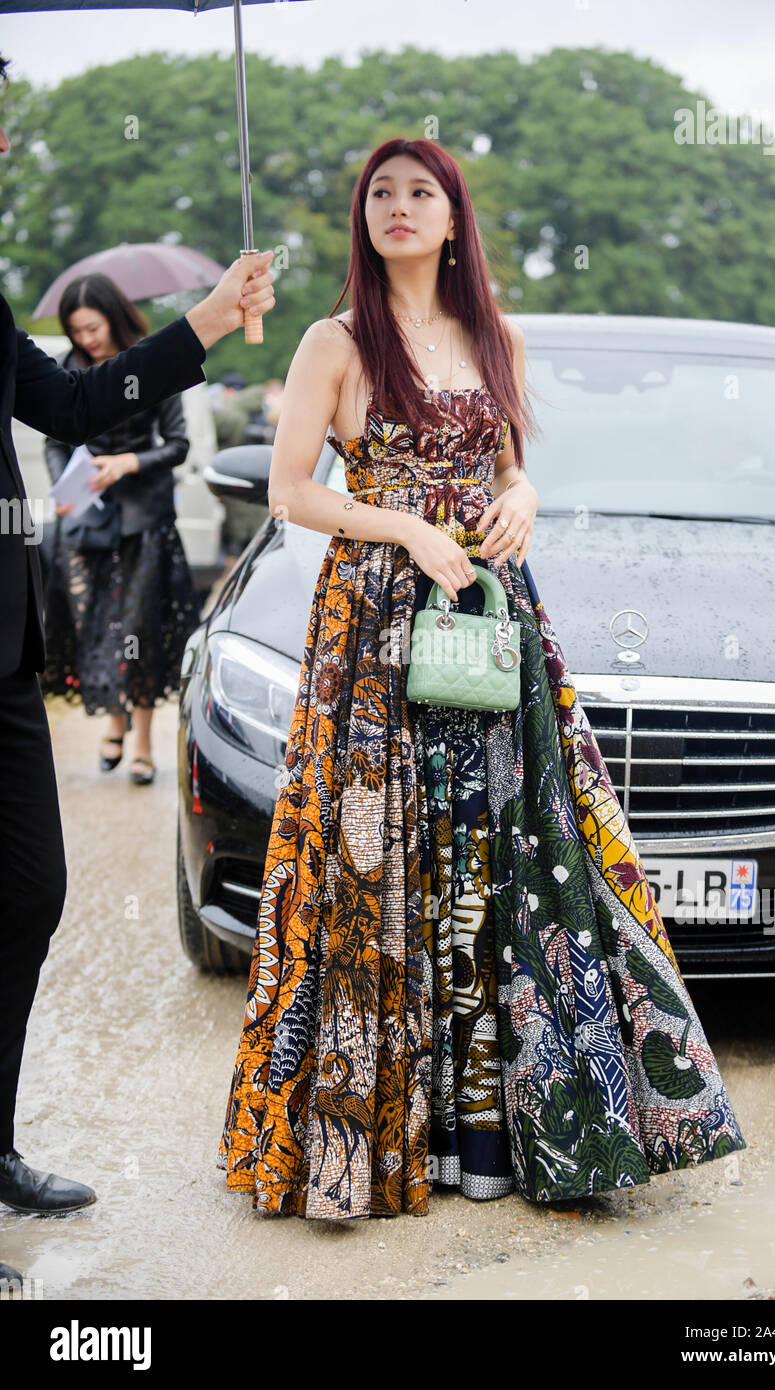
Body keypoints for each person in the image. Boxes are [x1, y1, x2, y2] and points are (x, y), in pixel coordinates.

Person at [217, 137, 747, 1221]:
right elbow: (288, 492)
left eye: (421, 193)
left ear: (454, 219)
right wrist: (403, 527)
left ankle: (514, 1138)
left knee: (508, 853)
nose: (398, 207)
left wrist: (525, 498)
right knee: (382, 857)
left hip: (491, 616)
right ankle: (371, 1147)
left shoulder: (492, 334)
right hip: (372, 625)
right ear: (362, 220)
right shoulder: (332, 340)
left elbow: (506, 467)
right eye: (380, 194)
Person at [0, 47, 276, 1288]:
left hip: (5, 646)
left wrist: (204, 328)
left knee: (24, 895)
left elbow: (71, 400)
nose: (5, 146)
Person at [40, 271, 201, 784]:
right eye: (77, 331)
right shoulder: (67, 370)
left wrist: (127, 462)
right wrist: (65, 484)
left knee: (141, 630)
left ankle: (144, 741)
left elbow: (178, 445)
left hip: (145, 520)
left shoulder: (152, 361)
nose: (86, 339)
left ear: (113, 316)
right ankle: (114, 723)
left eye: (93, 327)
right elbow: (53, 441)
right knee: (101, 628)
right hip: (88, 522)